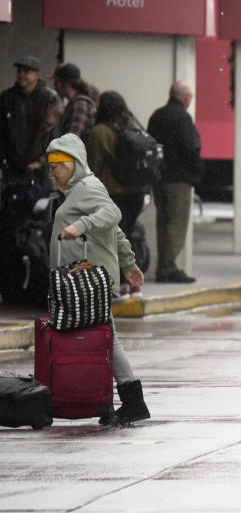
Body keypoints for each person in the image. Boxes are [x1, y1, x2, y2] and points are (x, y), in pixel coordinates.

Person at [46, 132, 150, 425]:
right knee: (103, 337)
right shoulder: (78, 190)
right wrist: (129, 264)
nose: (53, 171)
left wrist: (81, 224)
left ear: (76, 163)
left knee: (104, 337)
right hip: (85, 278)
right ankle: (115, 400)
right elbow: (114, 232)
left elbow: (112, 214)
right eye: (50, 166)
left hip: (88, 279)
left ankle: (126, 401)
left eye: (59, 165)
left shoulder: (87, 188)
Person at [87, 91, 150, 296]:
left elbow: (93, 166)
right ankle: (135, 285)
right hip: (136, 192)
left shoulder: (99, 132)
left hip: (113, 193)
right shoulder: (132, 128)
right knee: (129, 236)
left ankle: (122, 285)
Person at [147, 81, 202, 284]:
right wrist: (198, 171)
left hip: (159, 177)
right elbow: (191, 147)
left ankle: (164, 265)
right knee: (176, 223)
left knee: (163, 221)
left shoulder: (157, 115)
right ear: (185, 98)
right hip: (179, 178)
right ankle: (168, 267)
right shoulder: (183, 118)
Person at [0, 56, 60, 220]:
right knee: (11, 219)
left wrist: (42, 161)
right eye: (19, 71)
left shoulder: (49, 99)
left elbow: (56, 137)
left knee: (38, 219)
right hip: (12, 171)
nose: (21, 75)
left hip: (40, 172)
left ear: (37, 75)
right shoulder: (7, 98)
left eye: (27, 71)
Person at [52, 63, 98, 142]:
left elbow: (71, 141)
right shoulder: (72, 104)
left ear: (65, 84)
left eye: (56, 82)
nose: (55, 86)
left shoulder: (80, 106)